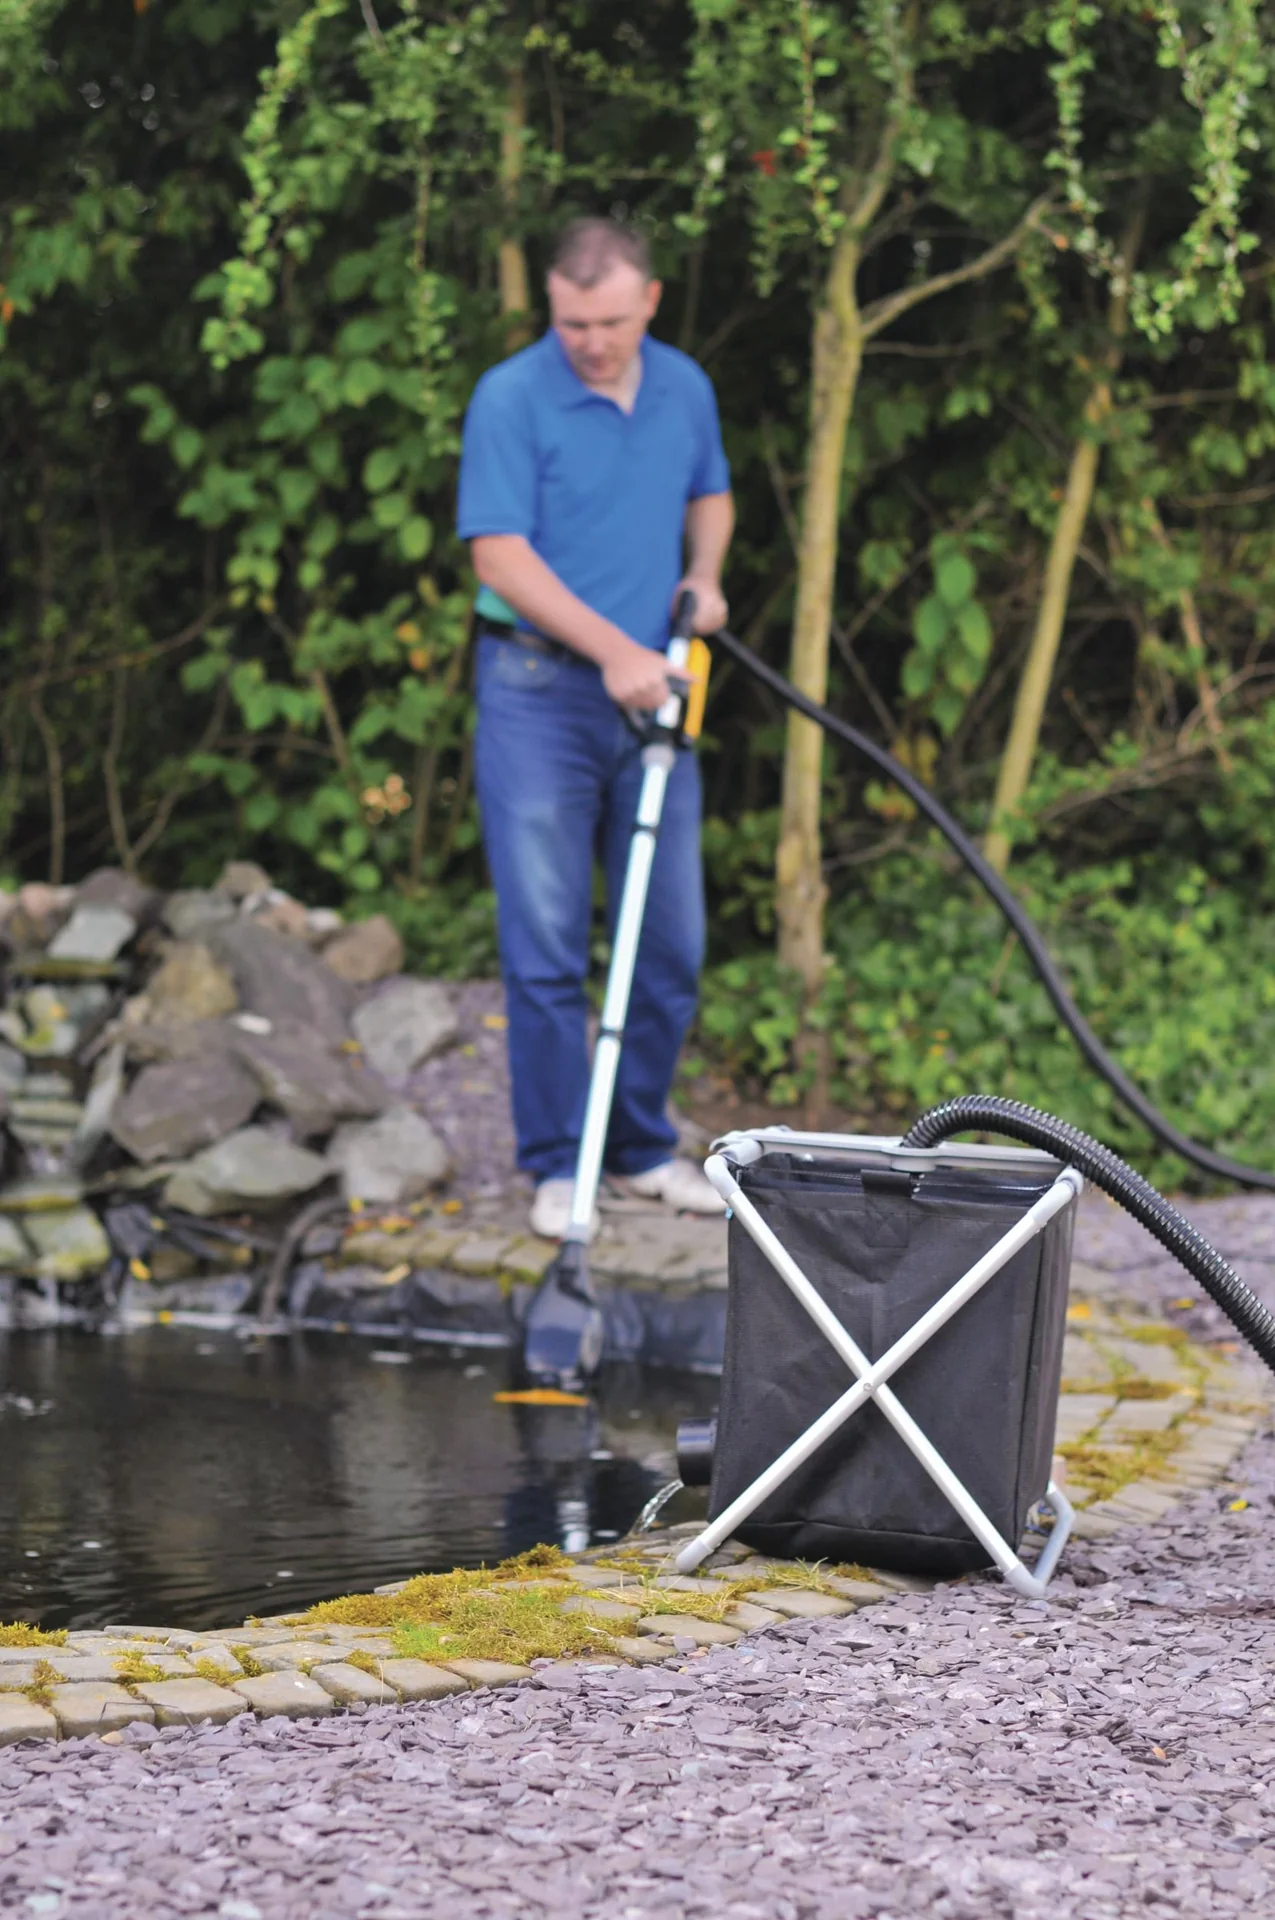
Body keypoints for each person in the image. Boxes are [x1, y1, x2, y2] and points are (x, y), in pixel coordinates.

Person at [457, 215, 735, 1240]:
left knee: (669, 946)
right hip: (537, 693)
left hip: (655, 692)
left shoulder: (684, 387)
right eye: (573, 323)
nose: (593, 343)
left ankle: (638, 1150)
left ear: (648, 300)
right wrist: (615, 651)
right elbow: (498, 555)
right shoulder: (510, 396)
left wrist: (703, 576)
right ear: (552, 306)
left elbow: (711, 494)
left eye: (612, 323)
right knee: (545, 946)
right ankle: (556, 1163)